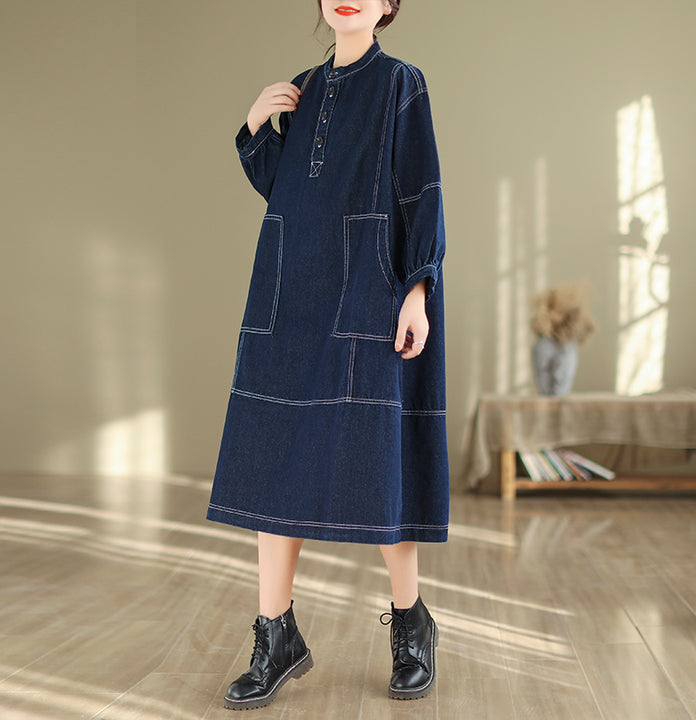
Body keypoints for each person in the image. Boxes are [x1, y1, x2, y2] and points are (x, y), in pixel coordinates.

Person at [207, 0, 449, 710]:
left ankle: (410, 622)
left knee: (380, 458)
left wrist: (417, 290)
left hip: (370, 290)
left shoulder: (401, 82)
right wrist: (255, 126)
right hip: (291, 295)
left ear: (388, 5)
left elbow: (422, 191)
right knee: (274, 460)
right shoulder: (302, 89)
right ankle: (275, 632)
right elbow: (285, 191)